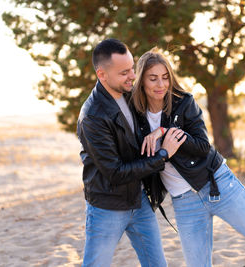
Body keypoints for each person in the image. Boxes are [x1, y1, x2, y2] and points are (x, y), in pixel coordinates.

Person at [131, 48, 245, 267]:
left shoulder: (184, 102)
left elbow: (203, 146)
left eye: (165, 77)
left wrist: (164, 132)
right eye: (153, 79)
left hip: (219, 186)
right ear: (141, 82)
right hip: (184, 201)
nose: (161, 85)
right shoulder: (135, 115)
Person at [77, 39, 186, 266]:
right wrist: (162, 155)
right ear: (102, 75)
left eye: (132, 69)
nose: (132, 77)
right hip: (107, 207)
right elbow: (115, 172)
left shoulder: (129, 94)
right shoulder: (93, 116)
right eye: (124, 72)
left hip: (139, 201)